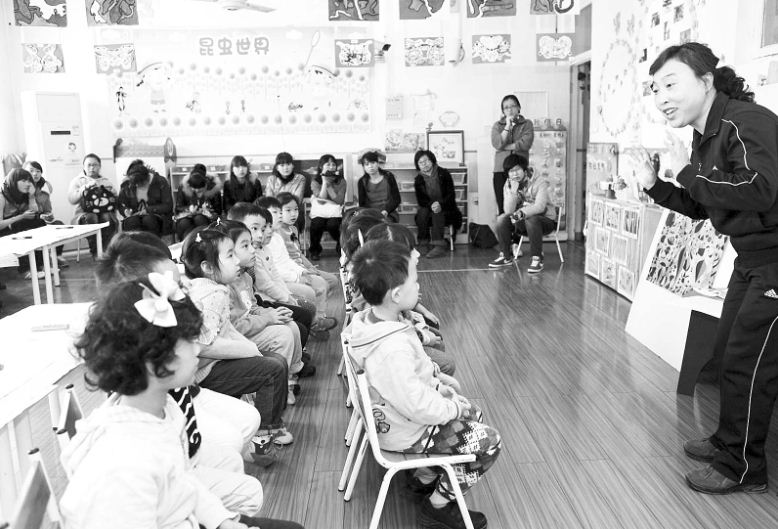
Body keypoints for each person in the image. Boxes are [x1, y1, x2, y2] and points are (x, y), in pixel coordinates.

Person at [641, 42, 778, 495]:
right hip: (752, 258)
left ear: (706, 81)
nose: (661, 97)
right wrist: (656, 187)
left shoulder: (746, 121)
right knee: (726, 353)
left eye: (670, 84)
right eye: (655, 88)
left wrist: (686, 173)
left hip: (774, 260)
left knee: (746, 362)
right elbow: (705, 204)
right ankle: (726, 440)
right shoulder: (705, 136)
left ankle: (743, 467)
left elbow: (760, 188)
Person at [61, 275, 304, 529]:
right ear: (153, 359)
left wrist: (223, 521)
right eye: (188, 341)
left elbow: (183, 483)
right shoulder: (124, 465)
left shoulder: (164, 409)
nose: (198, 349)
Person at [346, 240, 500, 529]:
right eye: (415, 281)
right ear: (395, 294)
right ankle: (437, 506)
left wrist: (437, 381)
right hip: (406, 430)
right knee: (490, 443)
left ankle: (424, 478)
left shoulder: (371, 322)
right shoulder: (392, 349)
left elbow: (413, 373)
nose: (419, 287)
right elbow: (416, 404)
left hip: (395, 419)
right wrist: (451, 407)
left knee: (473, 413)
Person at [181, 227, 295, 450]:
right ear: (207, 267)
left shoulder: (214, 287)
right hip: (203, 372)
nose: (236, 261)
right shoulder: (211, 294)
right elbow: (204, 346)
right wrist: (248, 350)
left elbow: (227, 329)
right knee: (272, 370)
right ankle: (263, 434)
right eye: (230, 255)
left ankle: (268, 424)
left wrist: (250, 348)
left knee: (276, 362)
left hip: (213, 363)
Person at [212, 219, 308, 406]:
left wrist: (272, 314)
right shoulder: (225, 288)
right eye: (245, 246)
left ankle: (289, 377)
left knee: (291, 324)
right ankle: (274, 387)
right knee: (283, 334)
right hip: (239, 335)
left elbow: (252, 307)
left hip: (250, 326)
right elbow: (235, 326)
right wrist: (268, 318)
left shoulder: (245, 277)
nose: (252, 250)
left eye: (251, 244)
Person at [488, 154, 556, 273]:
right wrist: (513, 192)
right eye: (511, 171)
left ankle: (537, 259)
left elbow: (540, 207)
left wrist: (521, 213)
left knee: (532, 219)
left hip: (545, 221)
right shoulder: (508, 184)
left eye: (517, 169)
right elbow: (508, 211)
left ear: (524, 169)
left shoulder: (539, 181)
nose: (515, 174)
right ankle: (505, 256)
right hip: (522, 222)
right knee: (502, 219)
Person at [413, 150, 463, 259]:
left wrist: (440, 204)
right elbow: (421, 200)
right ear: (418, 165)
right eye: (420, 163)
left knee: (437, 211)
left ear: (432, 160)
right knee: (422, 212)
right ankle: (423, 243)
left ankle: (439, 245)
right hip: (429, 207)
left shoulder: (444, 174)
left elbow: (451, 195)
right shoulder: (418, 179)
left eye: (426, 161)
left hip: (446, 207)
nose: (424, 164)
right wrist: (432, 204)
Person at [66, 153, 117, 258]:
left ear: (100, 166)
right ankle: (96, 252)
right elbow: (72, 200)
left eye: (95, 165)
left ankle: (106, 251)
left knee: (107, 217)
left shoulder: (106, 181)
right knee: (92, 217)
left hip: (104, 212)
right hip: (83, 214)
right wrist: (83, 189)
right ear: (83, 166)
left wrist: (113, 193)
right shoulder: (77, 181)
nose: (92, 168)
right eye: (89, 165)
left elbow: (115, 200)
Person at [491, 95, 534, 215]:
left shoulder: (527, 124)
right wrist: (507, 126)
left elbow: (525, 143)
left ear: (519, 108)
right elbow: (497, 143)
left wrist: (505, 147)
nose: (510, 110)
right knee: (502, 208)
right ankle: (504, 227)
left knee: (520, 207)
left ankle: (518, 227)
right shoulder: (497, 125)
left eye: (513, 106)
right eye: (506, 107)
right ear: (503, 111)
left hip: (520, 171)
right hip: (501, 170)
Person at [0, 168, 46, 277]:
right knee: (20, 228)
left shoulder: (22, 194)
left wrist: (31, 196)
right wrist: (21, 216)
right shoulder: (1, 196)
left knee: (39, 223)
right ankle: (26, 270)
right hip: (3, 229)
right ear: (13, 181)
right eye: (24, 181)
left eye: (29, 181)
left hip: (14, 225)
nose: (28, 184)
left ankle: (41, 265)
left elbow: (34, 212)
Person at [24, 160, 67, 265]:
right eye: (31, 171)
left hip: (42, 220)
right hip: (27, 220)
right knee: (37, 227)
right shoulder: (21, 188)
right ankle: (40, 263)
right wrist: (39, 216)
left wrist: (48, 215)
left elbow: (48, 209)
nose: (35, 173)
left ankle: (56, 256)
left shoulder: (44, 188)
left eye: (38, 171)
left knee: (60, 225)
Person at [117, 159, 173, 237]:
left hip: (156, 215)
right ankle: (134, 244)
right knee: (131, 222)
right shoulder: (127, 184)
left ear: (147, 178)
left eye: (140, 184)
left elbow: (167, 205)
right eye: (135, 184)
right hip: (134, 215)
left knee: (149, 220)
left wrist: (148, 210)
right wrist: (125, 210)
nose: (137, 186)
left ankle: (152, 243)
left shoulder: (160, 181)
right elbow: (121, 204)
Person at [308, 154, 346, 260]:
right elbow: (321, 198)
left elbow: (339, 200)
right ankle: (315, 250)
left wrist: (329, 187)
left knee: (333, 225)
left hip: (335, 214)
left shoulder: (341, 181)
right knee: (316, 224)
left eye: (333, 164)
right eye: (328, 164)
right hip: (319, 213)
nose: (331, 167)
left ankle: (340, 245)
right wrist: (324, 182)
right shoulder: (315, 182)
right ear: (321, 167)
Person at [262, 152, 306, 233]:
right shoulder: (271, 179)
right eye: (282, 165)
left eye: (288, 164)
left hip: (292, 210)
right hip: (275, 211)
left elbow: (297, 200)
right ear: (277, 167)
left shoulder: (300, 178)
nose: (286, 168)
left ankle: (293, 240)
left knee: (296, 220)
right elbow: (269, 200)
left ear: (293, 165)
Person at [175, 165, 222, 241]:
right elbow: (178, 207)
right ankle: (184, 243)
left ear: (205, 183)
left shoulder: (213, 188)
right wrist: (189, 208)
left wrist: (208, 210)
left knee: (199, 218)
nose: (197, 191)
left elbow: (218, 210)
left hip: (207, 217)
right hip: (187, 215)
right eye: (194, 189)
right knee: (184, 223)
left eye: (200, 190)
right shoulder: (183, 187)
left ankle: (204, 242)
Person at [357, 151, 401, 222]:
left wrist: (386, 211)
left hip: (389, 213)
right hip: (371, 215)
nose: (370, 166)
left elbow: (397, 199)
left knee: (384, 224)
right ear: (364, 167)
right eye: (367, 164)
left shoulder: (389, 176)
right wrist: (371, 214)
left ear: (377, 163)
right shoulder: (361, 181)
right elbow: (362, 204)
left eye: (373, 163)